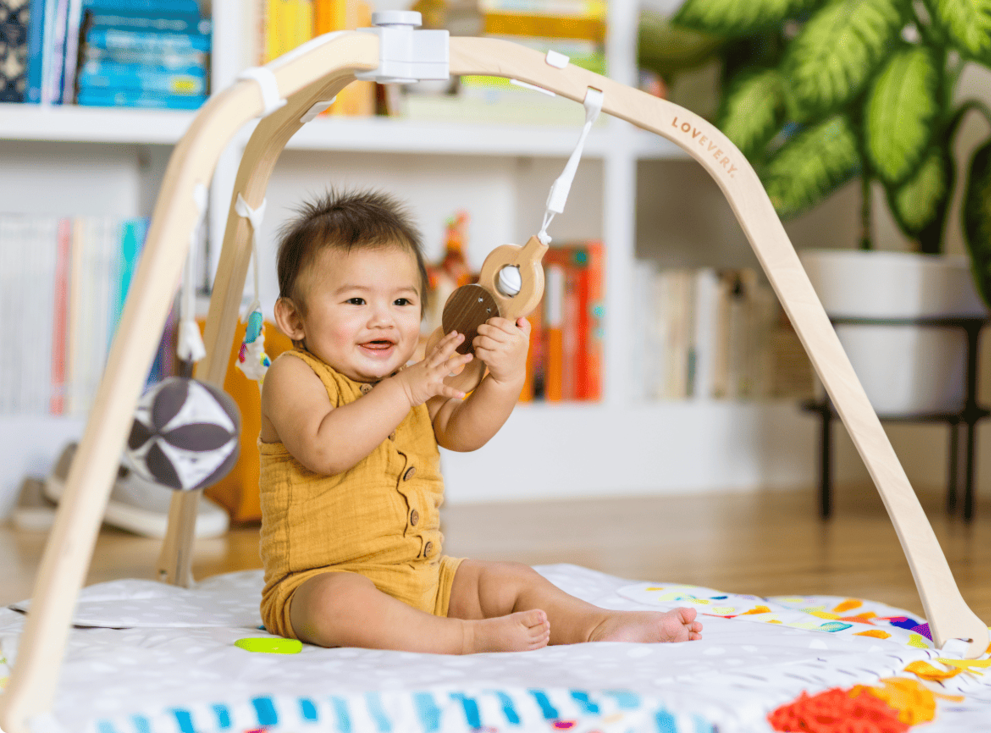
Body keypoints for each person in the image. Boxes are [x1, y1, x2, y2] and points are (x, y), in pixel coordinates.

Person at [258, 188, 703, 654]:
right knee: (338, 604)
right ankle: (463, 638)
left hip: (424, 578)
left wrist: (504, 379)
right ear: (294, 318)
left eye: (403, 303)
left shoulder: (410, 377)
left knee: (510, 580)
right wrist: (408, 388)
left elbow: (463, 431)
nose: (382, 320)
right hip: (314, 584)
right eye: (355, 302)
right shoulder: (294, 374)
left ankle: (597, 626)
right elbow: (323, 448)